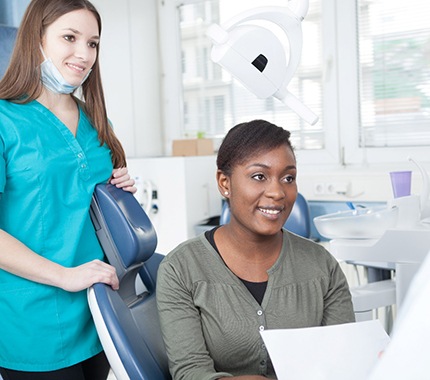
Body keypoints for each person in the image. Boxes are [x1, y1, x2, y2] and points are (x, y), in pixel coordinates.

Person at [156, 119, 355, 379]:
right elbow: (191, 373)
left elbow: (344, 362)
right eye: (259, 176)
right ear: (225, 183)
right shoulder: (181, 269)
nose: (277, 192)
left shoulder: (323, 266)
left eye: (288, 178)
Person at [0, 1, 137, 379]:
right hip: (33, 321)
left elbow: (79, 201)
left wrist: (120, 190)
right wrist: (66, 276)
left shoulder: (96, 119)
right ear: (36, 39)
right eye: (69, 37)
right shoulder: (3, 119)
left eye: (92, 43)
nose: (84, 53)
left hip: (98, 311)